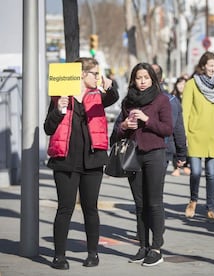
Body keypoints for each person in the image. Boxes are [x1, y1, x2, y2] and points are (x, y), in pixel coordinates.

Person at [44, 57, 119, 270]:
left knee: (90, 209)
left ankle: (93, 253)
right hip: (65, 161)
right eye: (94, 73)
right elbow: (48, 128)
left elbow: (113, 97)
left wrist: (110, 87)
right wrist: (58, 110)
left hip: (92, 161)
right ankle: (59, 256)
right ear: (81, 74)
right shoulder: (60, 96)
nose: (98, 77)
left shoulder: (98, 96)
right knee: (65, 209)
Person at [113, 62, 173, 266]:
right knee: (139, 204)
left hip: (155, 154)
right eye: (138, 78)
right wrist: (124, 125)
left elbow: (167, 129)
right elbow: (118, 133)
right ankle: (143, 246)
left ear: (152, 79)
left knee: (154, 202)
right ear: (133, 80)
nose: (142, 81)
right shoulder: (128, 102)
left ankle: (156, 248)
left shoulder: (161, 99)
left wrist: (147, 119)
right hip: (133, 156)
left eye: (146, 77)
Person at [182, 51, 214, 222]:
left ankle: (210, 208)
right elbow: (185, 111)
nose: (212, 69)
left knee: (210, 174)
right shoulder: (191, 84)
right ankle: (193, 200)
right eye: (210, 65)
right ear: (202, 66)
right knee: (195, 172)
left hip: (213, 136)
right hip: (195, 134)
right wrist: (184, 135)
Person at [151, 64, 187, 172]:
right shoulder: (172, 100)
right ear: (162, 79)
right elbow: (178, 129)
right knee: (156, 187)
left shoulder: (135, 97)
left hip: (141, 150)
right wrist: (181, 154)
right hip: (163, 150)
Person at [169, 75, 191, 176]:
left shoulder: (190, 96)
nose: (181, 86)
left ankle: (186, 165)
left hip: (188, 124)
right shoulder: (172, 97)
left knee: (186, 145)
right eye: (180, 83)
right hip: (177, 123)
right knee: (175, 142)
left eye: (184, 84)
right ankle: (176, 167)